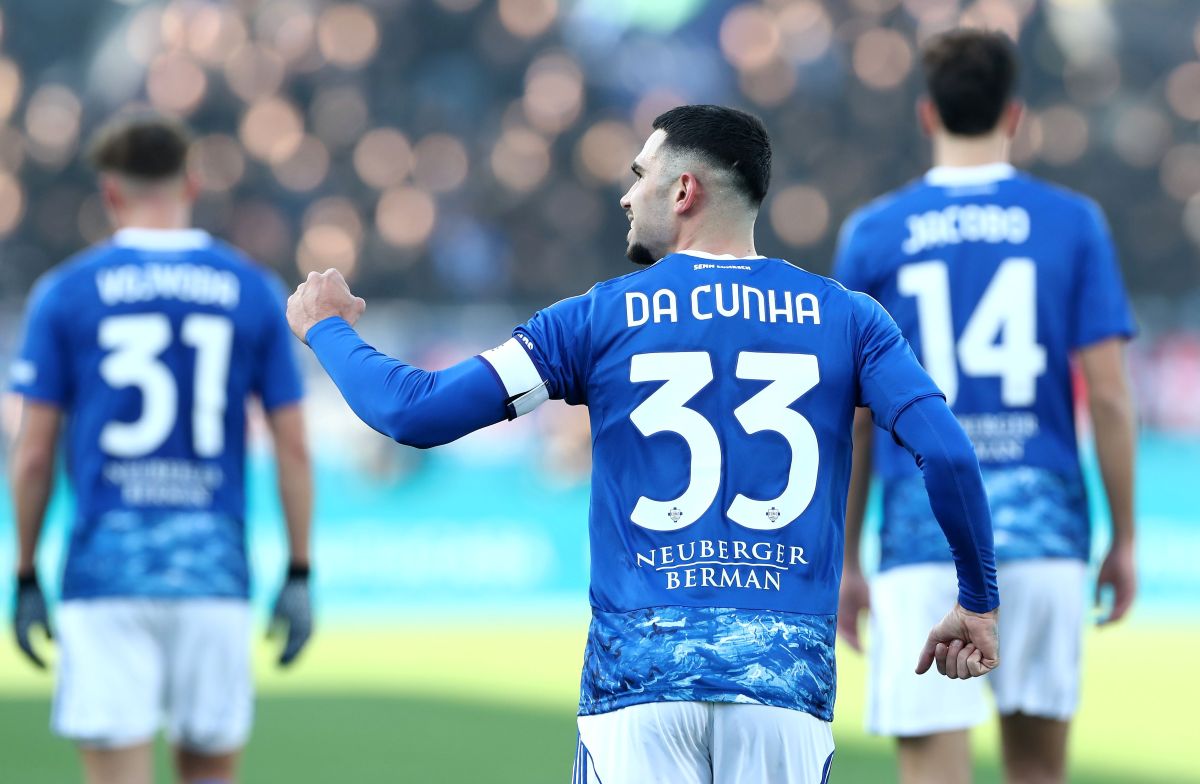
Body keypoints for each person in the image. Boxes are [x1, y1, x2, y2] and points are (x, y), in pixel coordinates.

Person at [287, 104, 1000, 784]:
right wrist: (977, 599)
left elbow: (414, 412)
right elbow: (949, 455)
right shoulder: (849, 319)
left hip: (640, 682)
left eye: (639, 176)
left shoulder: (596, 319)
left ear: (684, 189)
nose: (627, 198)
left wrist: (326, 327)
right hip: (783, 684)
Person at [834, 30, 1137, 784]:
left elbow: (858, 417)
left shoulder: (875, 232)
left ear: (926, 113)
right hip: (1042, 533)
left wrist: (844, 559)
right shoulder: (1072, 222)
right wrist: (1123, 537)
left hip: (921, 528)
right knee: (1038, 773)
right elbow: (1106, 392)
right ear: (1016, 113)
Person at [8, 114, 314, 784]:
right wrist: (298, 572)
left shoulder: (64, 292)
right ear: (192, 184)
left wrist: (26, 572)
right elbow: (292, 447)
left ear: (110, 194)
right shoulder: (251, 288)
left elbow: (33, 457)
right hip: (213, 572)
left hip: (105, 574)